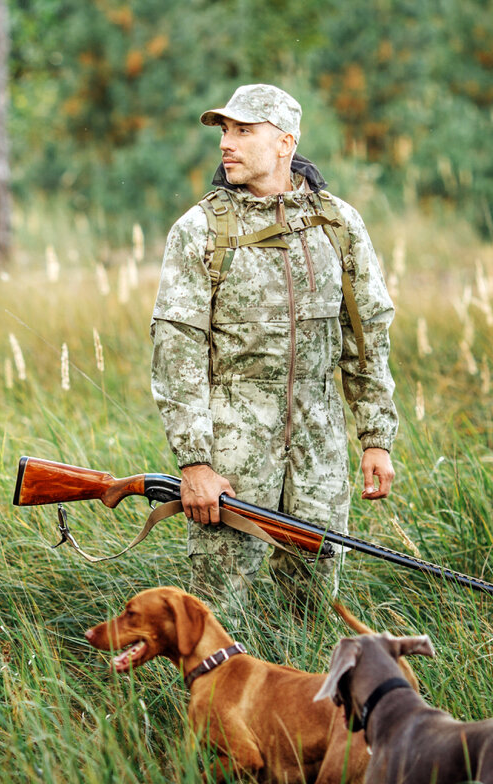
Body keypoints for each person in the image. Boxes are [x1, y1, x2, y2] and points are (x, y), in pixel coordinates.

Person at [150, 83, 398, 621]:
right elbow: (177, 352)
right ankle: (209, 704)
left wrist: (376, 438)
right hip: (231, 448)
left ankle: (302, 701)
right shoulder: (199, 230)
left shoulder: (338, 224)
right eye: (224, 131)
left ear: (286, 142)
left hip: (319, 445)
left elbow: (366, 338)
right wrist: (195, 461)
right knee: (218, 611)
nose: (226, 144)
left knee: (310, 604)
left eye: (244, 131)